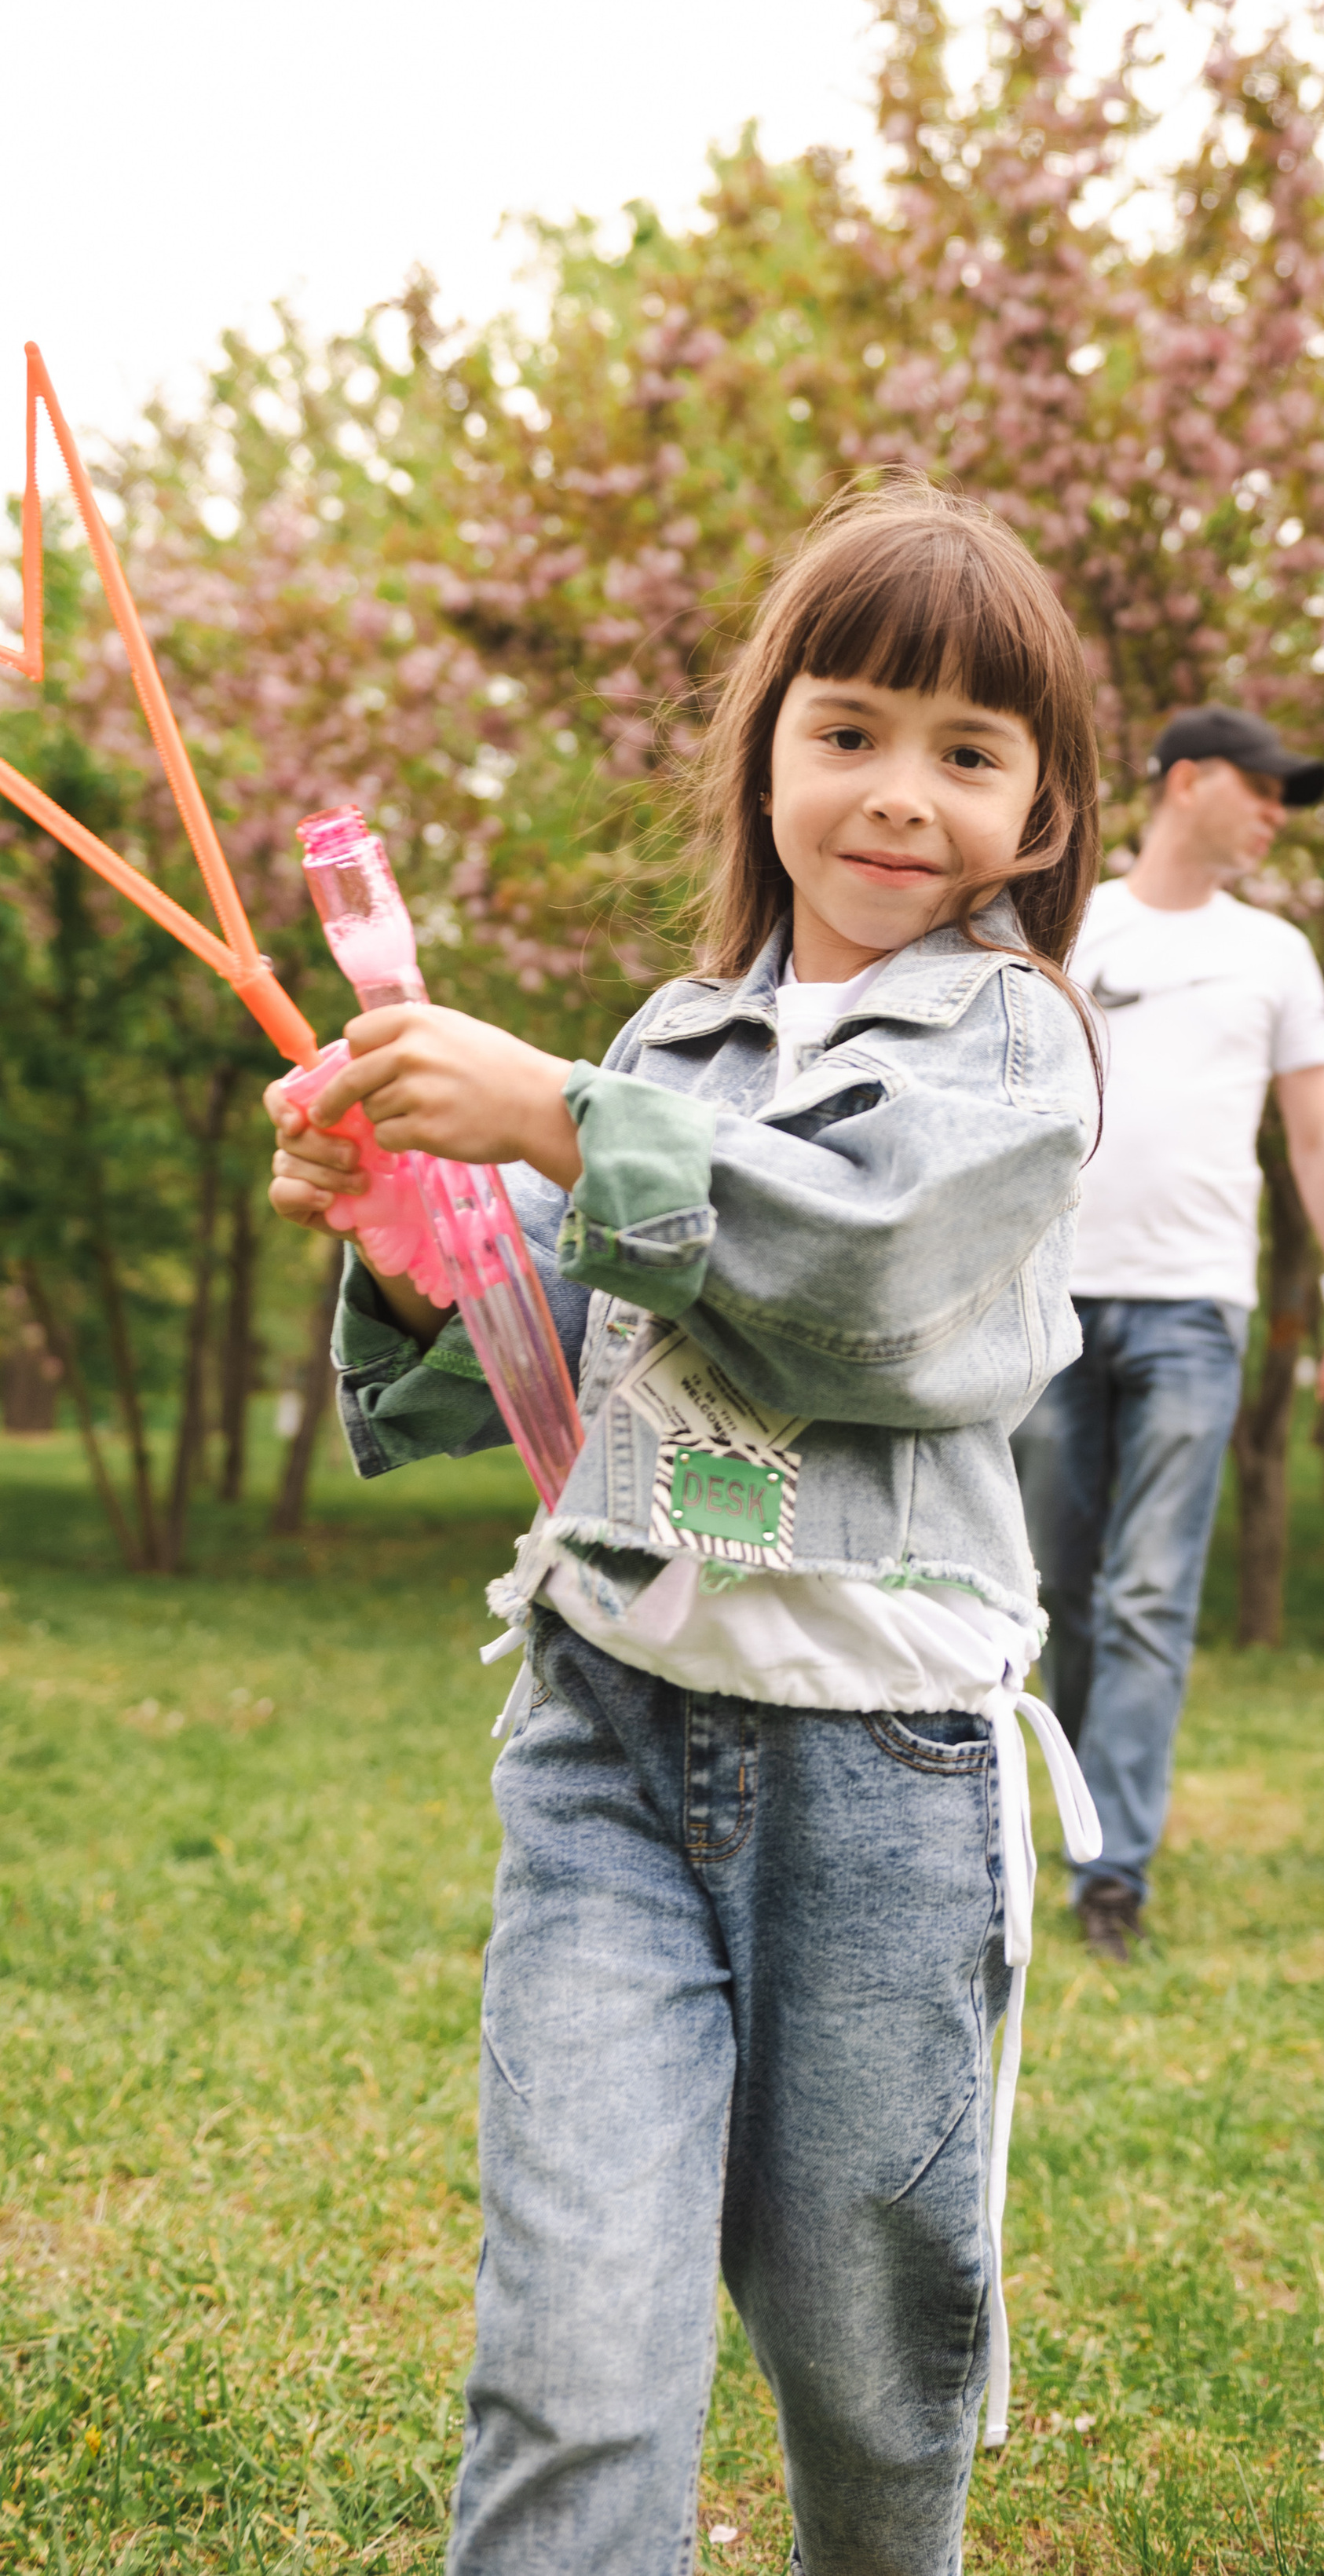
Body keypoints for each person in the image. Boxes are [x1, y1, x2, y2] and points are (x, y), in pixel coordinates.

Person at [262, 481, 1106, 2573]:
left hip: (881, 1780)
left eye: (967, 749)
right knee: (572, 2348)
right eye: (849, 728)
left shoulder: (1021, 1053)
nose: (899, 794)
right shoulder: (672, 1038)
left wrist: (551, 1112)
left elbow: (869, 1286)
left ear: (1043, 813)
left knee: (868, 2352)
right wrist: (413, 1242)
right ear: (765, 752)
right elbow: (557, 1364)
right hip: (612, 1740)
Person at [1014, 703, 1324, 1962]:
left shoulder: (1278, 954)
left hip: (1195, 1306)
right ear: (1186, 782)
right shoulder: (1065, 922)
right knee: (1057, 1585)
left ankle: (1113, 1869)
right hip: (1052, 1296)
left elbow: (1320, 1139)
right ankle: (1060, 1815)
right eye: (1265, 787)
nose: (1279, 812)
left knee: (1151, 1589)